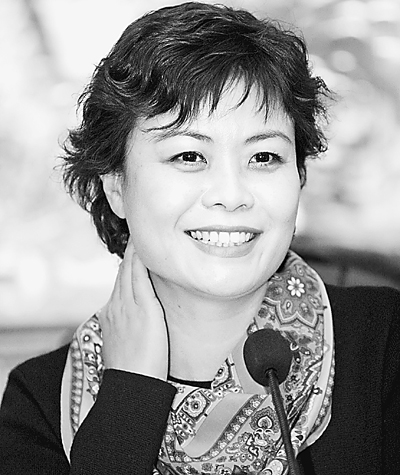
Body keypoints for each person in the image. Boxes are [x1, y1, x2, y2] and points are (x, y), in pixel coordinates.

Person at [0, 2, 399, 474]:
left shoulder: (385, 343)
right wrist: (128, 395)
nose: (231, 195)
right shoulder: (39, 400)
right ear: (116, 187)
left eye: (264, 157)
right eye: (189, 156)